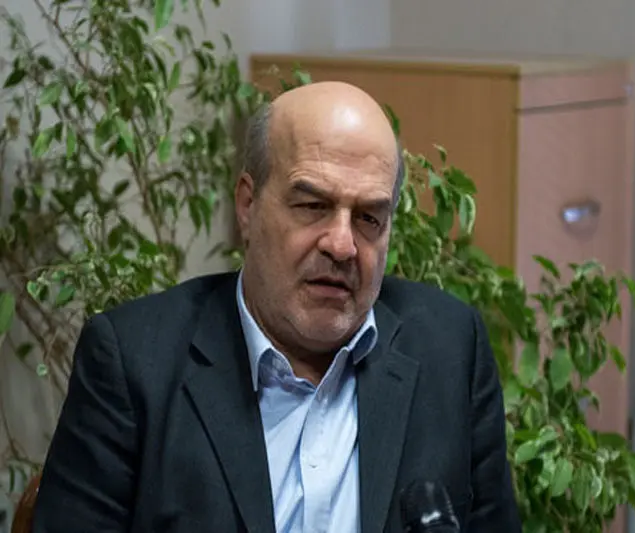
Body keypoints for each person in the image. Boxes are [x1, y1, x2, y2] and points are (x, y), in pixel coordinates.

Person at [32, 81, 521, 533]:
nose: (342, 245)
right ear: (248, 205)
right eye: (313, 206)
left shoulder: (449, 348)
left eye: (369, 217)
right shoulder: (134, 362)